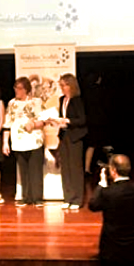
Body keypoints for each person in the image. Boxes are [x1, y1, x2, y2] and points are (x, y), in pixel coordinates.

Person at [2, 77, 45, 207]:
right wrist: (5, 142)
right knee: (23, 170)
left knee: (35, 170)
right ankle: (26, 197)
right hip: (18, 141)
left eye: (19, 88)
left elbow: (44, 120)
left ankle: (37, 198)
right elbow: (7, 123)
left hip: (34, 140)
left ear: (26, 89)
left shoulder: (36, 102)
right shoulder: (12, 103)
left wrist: (34, 125)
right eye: (15, 88)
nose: (16, 90)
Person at [53, 73, 87, 210]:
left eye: (64, 85)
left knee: (75, 169)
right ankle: (68, 198)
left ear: (71, 86)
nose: (62, 88)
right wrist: (57, 122)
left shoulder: (77, 100)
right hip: (64, 136)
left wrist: (67, 121)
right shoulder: (62, 99)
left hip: (75, 137)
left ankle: (77, 199)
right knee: (65, 168)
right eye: (60, 85)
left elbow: (82, 119)